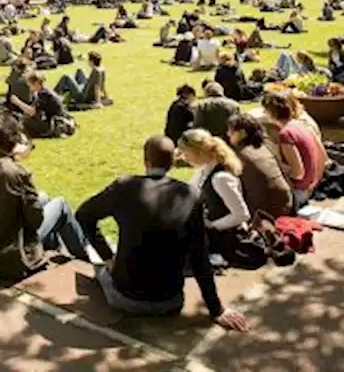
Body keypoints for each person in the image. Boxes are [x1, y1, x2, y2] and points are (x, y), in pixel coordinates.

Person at [75, 136, 249, 331]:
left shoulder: (124, 187)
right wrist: (217, 310)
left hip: (126, 298)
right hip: (171, 301)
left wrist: (107, 256)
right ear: (173, 162)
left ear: (145, 161)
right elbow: (200, 256)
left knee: (100, 268)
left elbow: (83, 215)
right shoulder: (191, 195)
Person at [0, 117, 90, 281]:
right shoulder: (17, 173)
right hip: (8, 258)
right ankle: (86, 260)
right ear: (14, 143)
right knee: (60, 205)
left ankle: (55, 246)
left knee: (43, 197)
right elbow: (35, 220)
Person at [178, 129, 269, 269]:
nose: (184, 158)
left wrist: (212, 226)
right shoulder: (204, 170)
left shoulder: (220, 179)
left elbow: (242, 214)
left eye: (186, 153)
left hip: (225, 235)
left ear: (199, 152)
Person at [260, 92, 329, 210]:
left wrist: (278, 167)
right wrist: (314, 184)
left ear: (271, 112)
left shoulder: (286, 134)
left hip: (299, 193)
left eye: (265, 110)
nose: (263, 113)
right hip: (311, 187)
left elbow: (298, 173)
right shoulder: (302, 124)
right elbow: (324, 159)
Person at [226, 113, 293, 219]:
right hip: (287, 201)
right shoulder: (266, 146)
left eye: (231, 131)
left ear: (242, 133)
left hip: (264, 211)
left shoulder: (240, 155)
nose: (228, 134)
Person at [9, 72, 74, 139]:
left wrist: (17, 102)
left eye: (30, 85)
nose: (29, 87)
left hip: (55, 123)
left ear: (36, 83)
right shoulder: (45, 91)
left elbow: (32, 112)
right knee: (25, 118)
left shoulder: (44, 95)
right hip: (55, 119)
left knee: (26, 122)